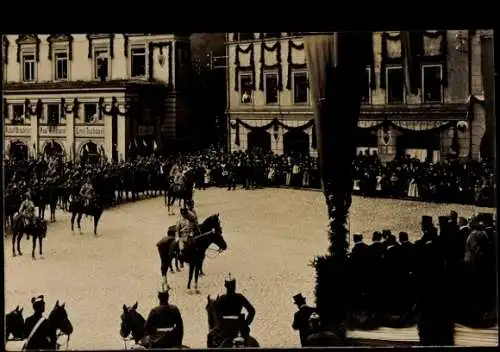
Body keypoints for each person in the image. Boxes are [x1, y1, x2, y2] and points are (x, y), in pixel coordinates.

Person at [215, 274, 255, 343]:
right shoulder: (240, 297)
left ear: (225, 286)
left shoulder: (221, 299)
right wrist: (246, 323)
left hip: (225, 330)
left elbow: (217, 313)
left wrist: (221, 322)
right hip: (239, 328)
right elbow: (252, 311)